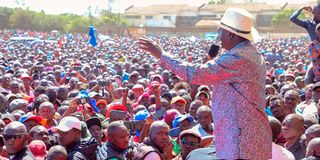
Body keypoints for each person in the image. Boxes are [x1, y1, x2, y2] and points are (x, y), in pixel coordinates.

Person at [137, 7, 272, 159]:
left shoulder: (240, 57)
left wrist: (162, 55)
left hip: (242, 144)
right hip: (243, 139)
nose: (219, 37)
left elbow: (196, 74)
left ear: (231, 33)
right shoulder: (248, 53)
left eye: (221, 31)